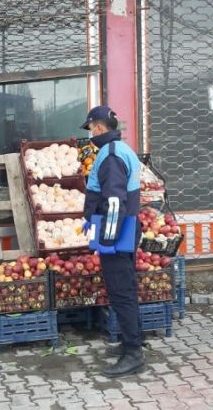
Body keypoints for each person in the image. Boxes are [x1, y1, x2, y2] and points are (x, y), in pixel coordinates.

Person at [81, 105, 144, 378]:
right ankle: (133, 342)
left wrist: (106, 239)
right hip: (125, 229)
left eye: (91, 127)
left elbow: (115, 202)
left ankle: (133, 354)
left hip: (117, 233)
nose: (90, 133)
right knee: (126, 289)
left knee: (121, 293)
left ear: (98, 126)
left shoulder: (111, 155)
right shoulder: (119, 150)